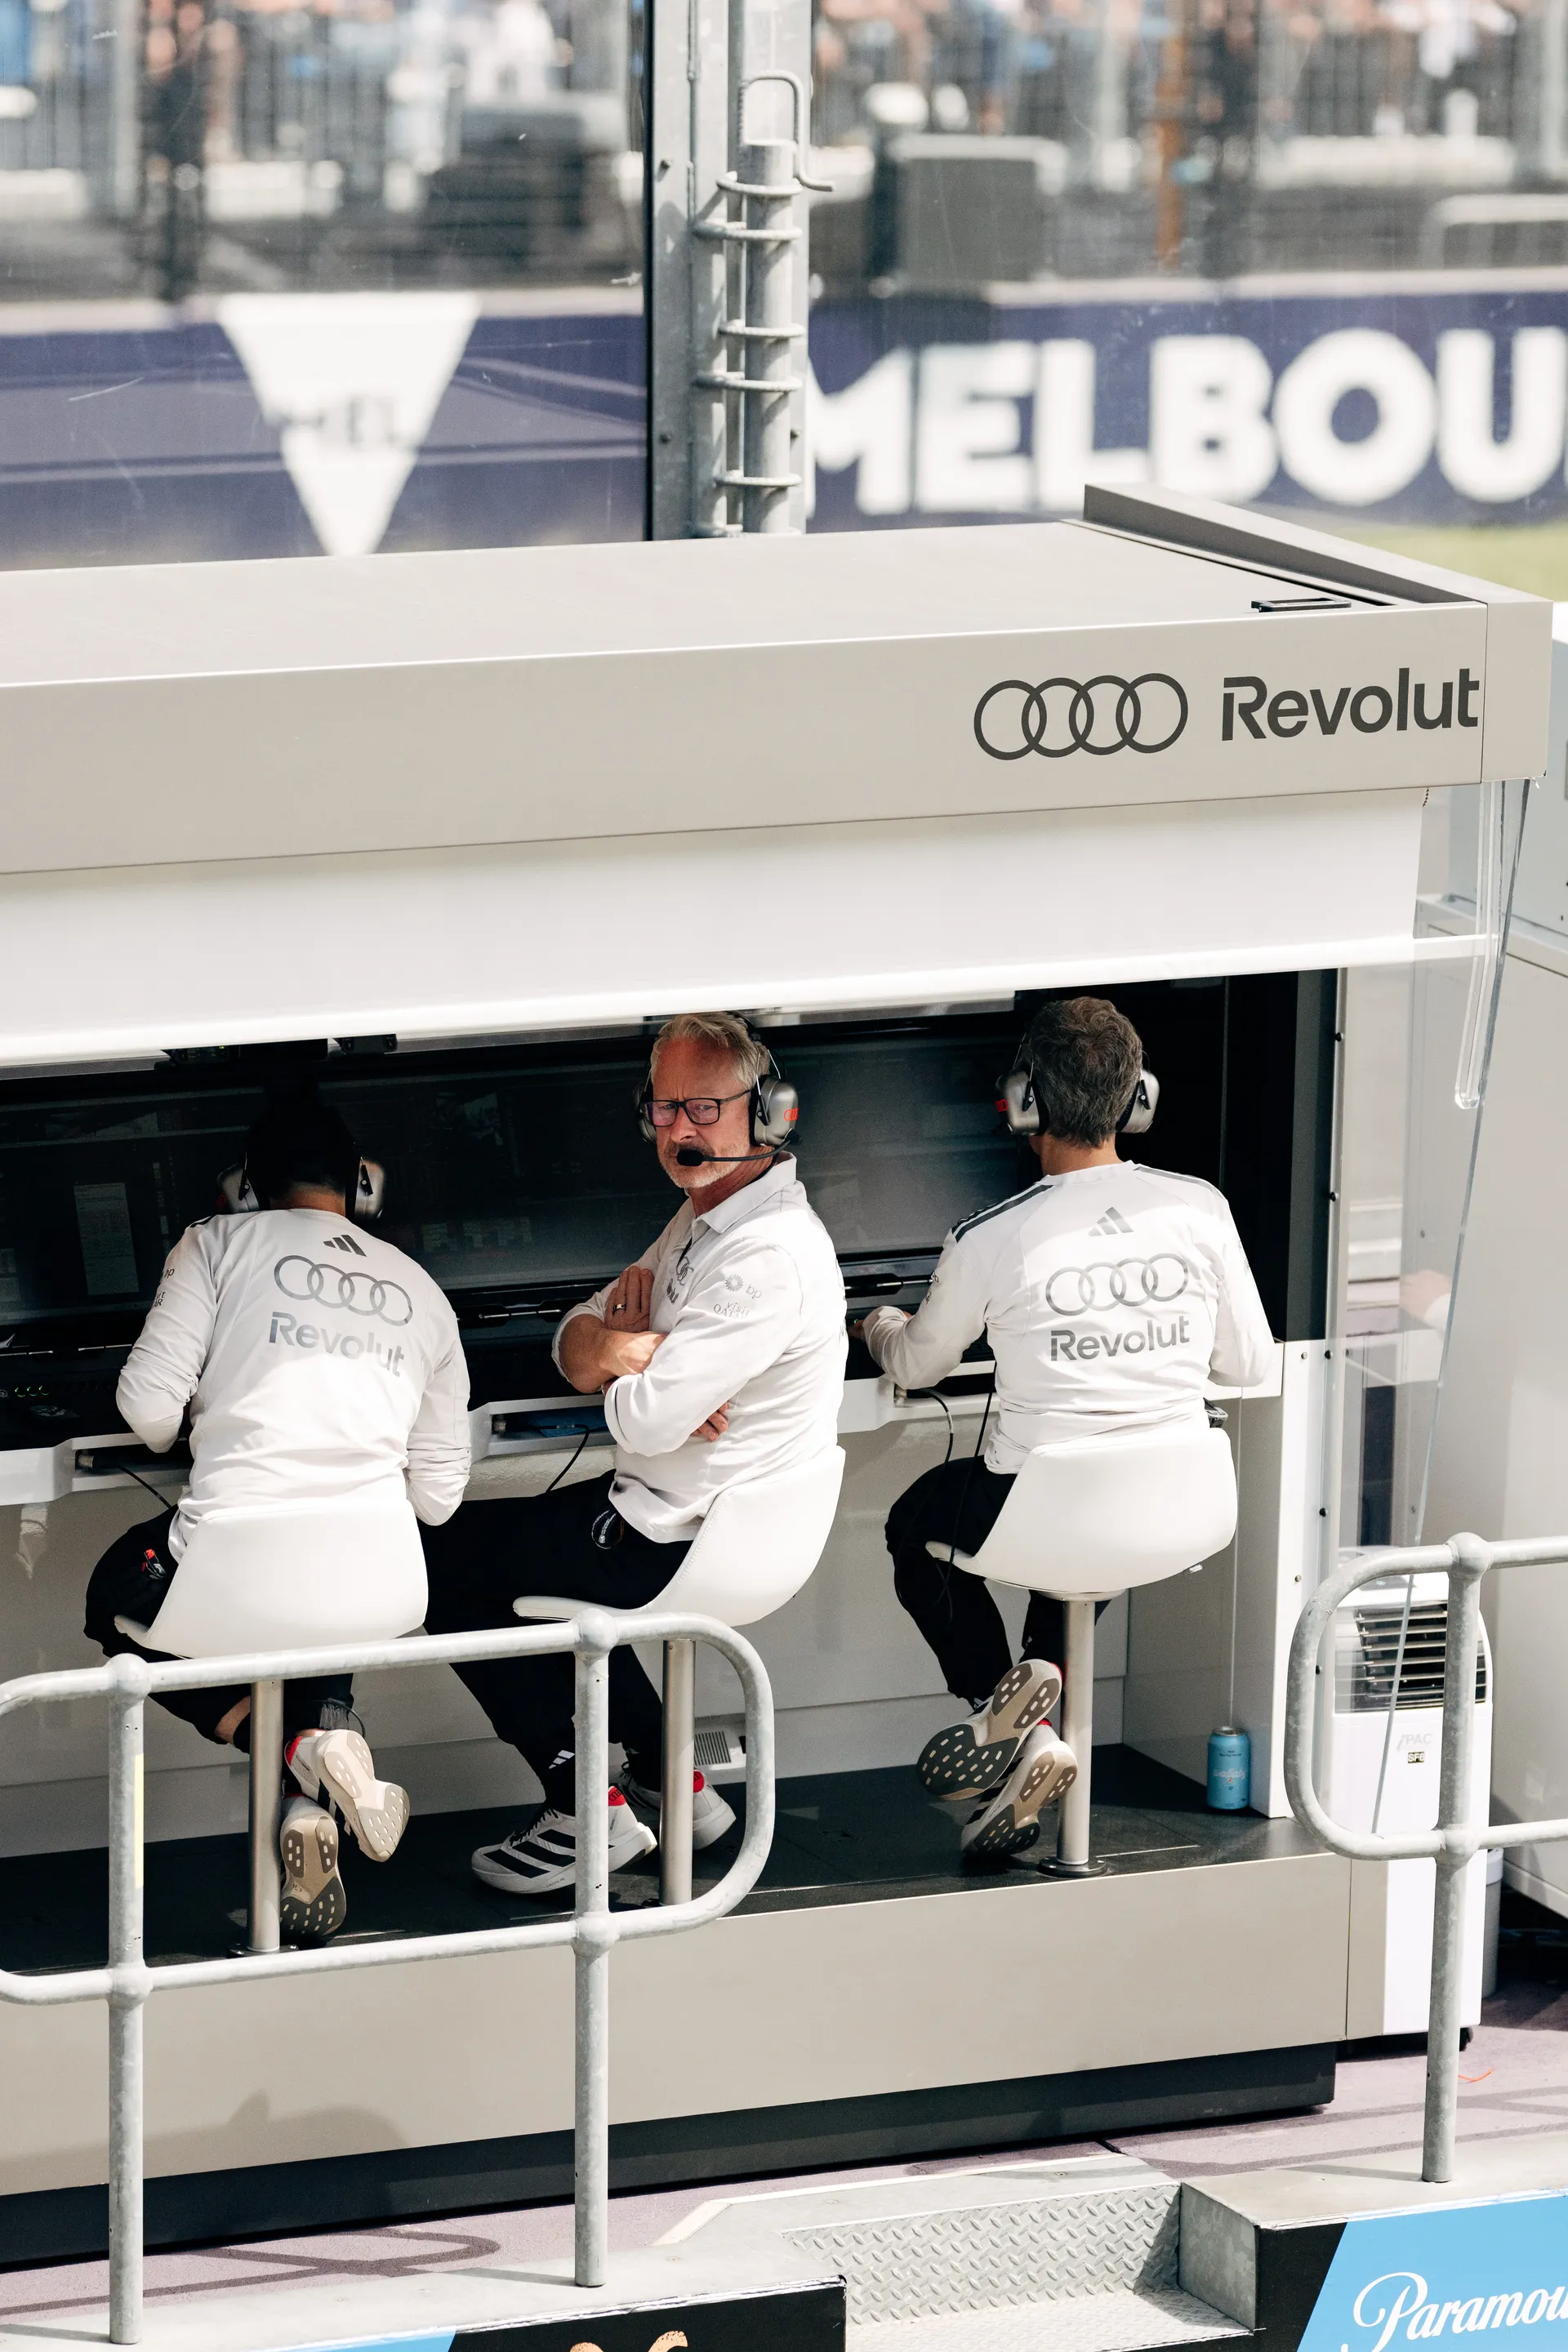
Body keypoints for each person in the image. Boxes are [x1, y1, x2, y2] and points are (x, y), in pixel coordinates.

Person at [422, 1011, 847, 1898]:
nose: (679, 1131)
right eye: (663, 1110)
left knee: (438, 1563)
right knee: (535, 1542)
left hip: (681, 1539)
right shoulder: (701, 1224)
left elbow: (648, 1424)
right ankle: (676, 1785)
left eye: (703, 1107)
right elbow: (577, 1333)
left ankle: (584, 1808)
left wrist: (636, 1370)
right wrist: (620, 1352)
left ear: (769, 1112)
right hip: (663, 1517)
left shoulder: (764, 1256)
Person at [857, 996, 1274, 1863]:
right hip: (1177, 1503)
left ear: (1025, 1102)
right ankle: (1037, 1737)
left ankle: (994, 1705)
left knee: (913, 1526)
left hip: (1044, 1504)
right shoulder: (1200, 1208)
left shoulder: (990, 1236)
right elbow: (1250, 1368)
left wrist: (878, 1327)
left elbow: (918, 1367)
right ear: (1138, 1100)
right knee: (1083, 1541)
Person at [85, 1090, 471, 1940]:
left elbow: (149, 1410)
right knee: (321, 1599)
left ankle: (299, 1747)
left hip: (232, 1573)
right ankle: (310, 1785)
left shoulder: (215, 1244)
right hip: (378, 1586)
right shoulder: (421, 1288)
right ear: (362, 1187)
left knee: (114, 1588)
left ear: (244, 1188)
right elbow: (439, 1497)